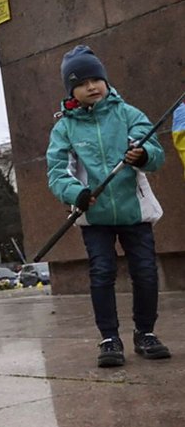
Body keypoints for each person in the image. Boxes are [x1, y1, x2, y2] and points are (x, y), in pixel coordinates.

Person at [46, 45, 169, 368]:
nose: (91, 86)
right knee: (102, 274)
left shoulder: (127, 113)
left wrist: (142, 155)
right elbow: (58, 173)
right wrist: (77, 194)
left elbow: (153, 151)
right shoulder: (64, 128)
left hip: (135, 212)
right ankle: (109, 338)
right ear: (70, 89)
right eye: (82, 82)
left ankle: (145, 333)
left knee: (145, 273)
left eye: (96, 78)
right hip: (95, 217)